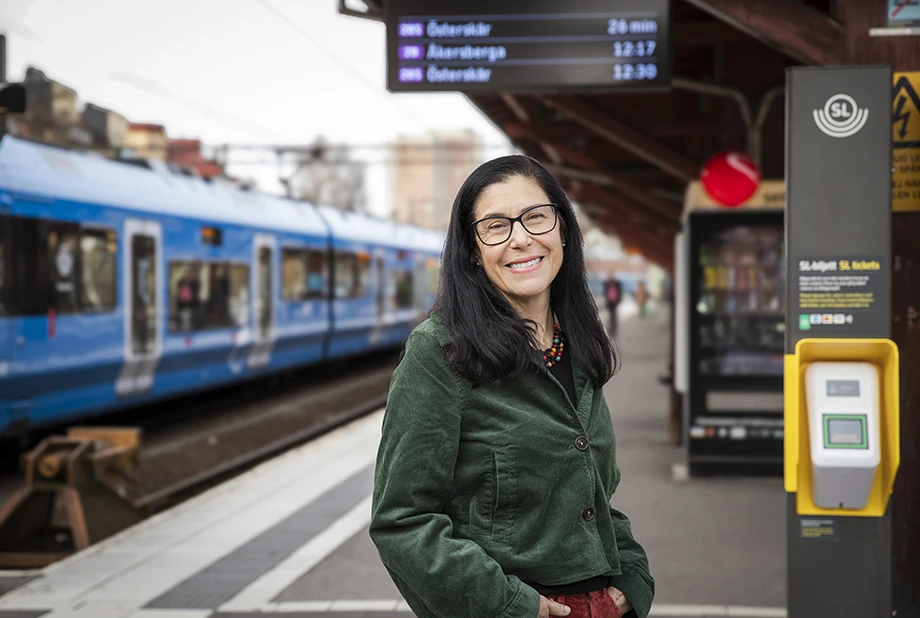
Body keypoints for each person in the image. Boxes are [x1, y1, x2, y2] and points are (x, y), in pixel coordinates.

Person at [370, 155, 654, 618]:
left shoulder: (575, 341)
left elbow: (598, 496)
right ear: (473, 250)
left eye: (536, 217)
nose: (521, 238)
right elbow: (402, 522)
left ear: (563, 228)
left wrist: (633, 576)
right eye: (496, 226)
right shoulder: (440, 351)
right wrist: (509, 605)